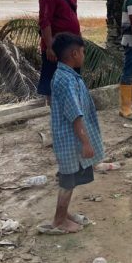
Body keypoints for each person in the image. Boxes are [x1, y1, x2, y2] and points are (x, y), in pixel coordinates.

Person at [39, 33, 103, 235]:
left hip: (71, 140)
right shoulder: (66, 81)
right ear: (74, 54)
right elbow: (75, 114)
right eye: (83, 52)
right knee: (68, 181)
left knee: (72, 179)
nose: (84, 56)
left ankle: (64, 213)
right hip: (70, 141)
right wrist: (86, 143)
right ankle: (59, 220)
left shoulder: (68, 76)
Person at [38, 0, 80, 105]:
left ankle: (71, 105)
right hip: (56, 48)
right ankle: (52, 108)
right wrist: (50, 47)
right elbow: (45, 22)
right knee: (52, 79)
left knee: (73, 77)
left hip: (71, 46)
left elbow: (73, 17)